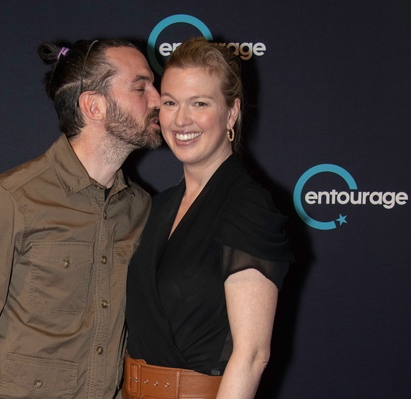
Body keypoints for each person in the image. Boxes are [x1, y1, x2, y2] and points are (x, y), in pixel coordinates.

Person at [0, 38, 162, 399]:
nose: (158, 99)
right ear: (94, 105)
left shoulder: (142, 209)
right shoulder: (11, 199)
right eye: (141, 87)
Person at [123, 37, 293, 399]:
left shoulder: (248, 207)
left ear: (232, 112)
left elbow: (251, 356)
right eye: (170, 103)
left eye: (199, 103)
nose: (181, 119)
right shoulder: (160, 205)